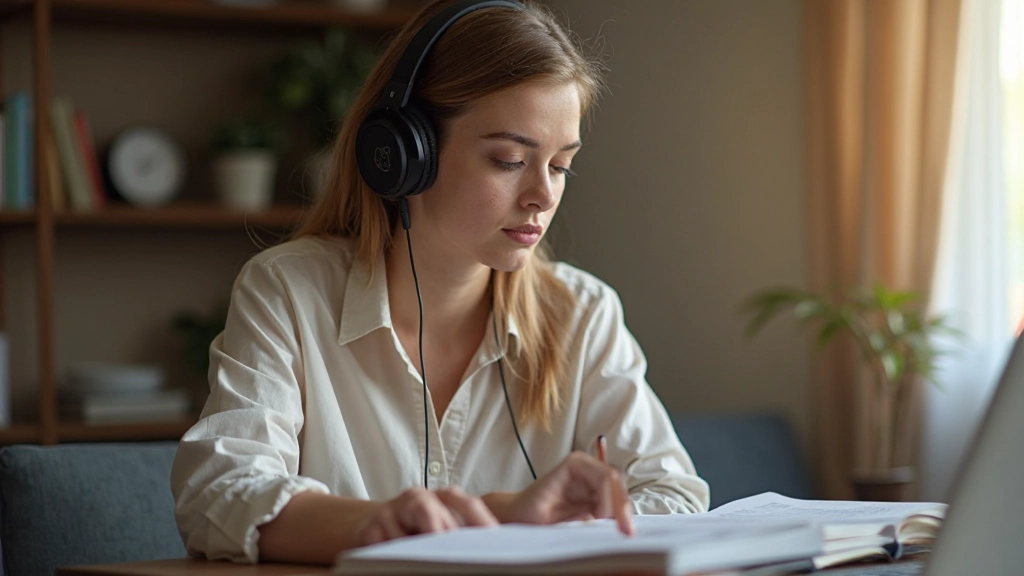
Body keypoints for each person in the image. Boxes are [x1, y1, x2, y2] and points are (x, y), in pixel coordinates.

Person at [170, 0, 709, 566]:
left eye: (560, 166)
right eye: (508, 160)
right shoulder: (288, 291)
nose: (543, 197)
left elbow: (674, 495)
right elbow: (217, 494)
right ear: (403, 153)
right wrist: (376, 524)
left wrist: (519, 522)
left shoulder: (583, 312)